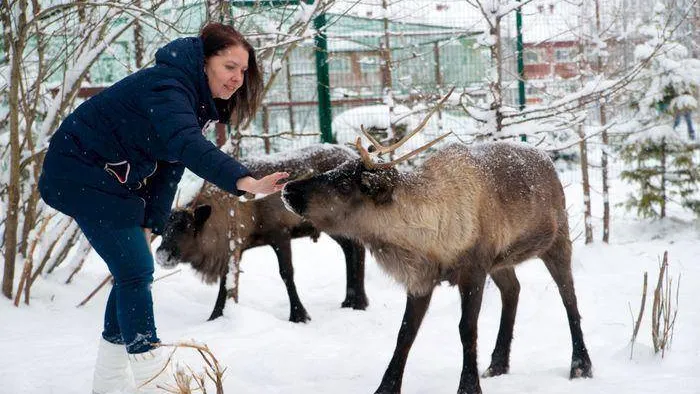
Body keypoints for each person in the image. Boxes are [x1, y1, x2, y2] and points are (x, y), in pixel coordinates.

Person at [38, 23, 288, 393]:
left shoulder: (192, 98)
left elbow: (170, 163)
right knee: (137, 270)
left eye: (243, 71)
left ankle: (108, 384)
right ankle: (153, 379)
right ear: (204, 61)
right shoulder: (168, 87)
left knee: (131, 272)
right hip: (78, 172)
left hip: (111, 180)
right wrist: (244, 180)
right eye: (229, 66)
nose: (238, 78)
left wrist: (151, 222)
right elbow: (185, 145)